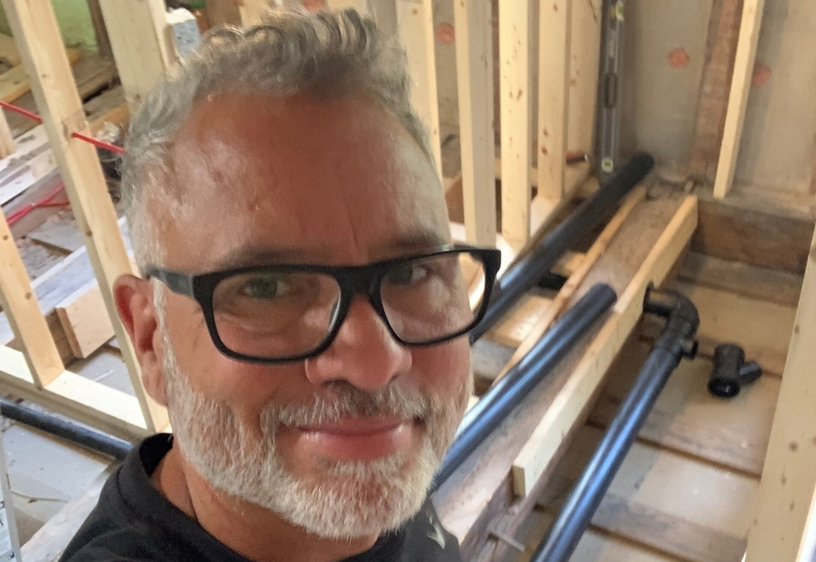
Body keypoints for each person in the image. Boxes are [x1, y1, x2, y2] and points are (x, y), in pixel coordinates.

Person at [59, 6, 500, 562]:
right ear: (152, 340)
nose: (375, 364)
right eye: (266, 288)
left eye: (410, 272)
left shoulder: (364, 452)